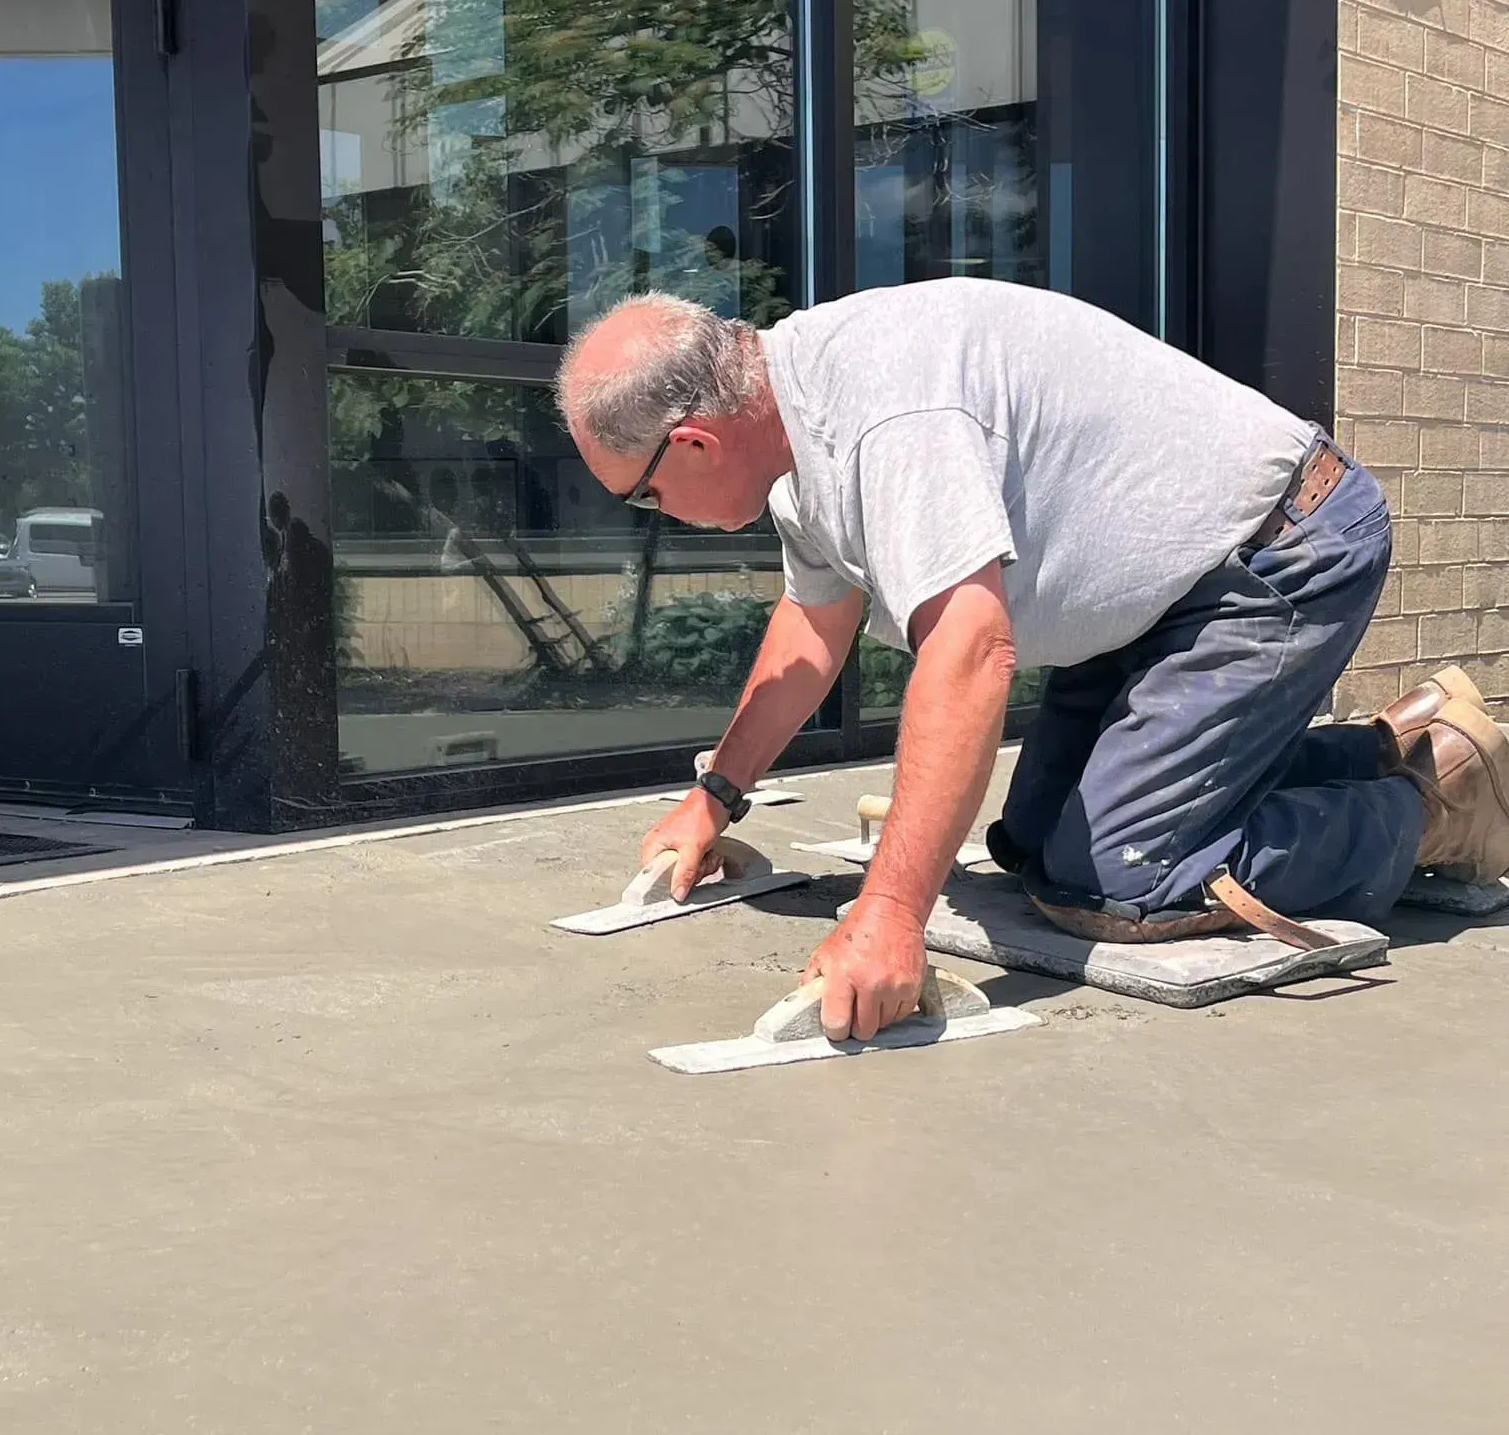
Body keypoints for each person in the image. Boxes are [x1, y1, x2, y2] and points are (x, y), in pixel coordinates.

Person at [557, 282, 1509, 1041]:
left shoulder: (884, 414)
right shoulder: (795, 431)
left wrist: (891, 913)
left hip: (1275, 554)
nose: (654, 514)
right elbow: (815, 627)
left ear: (692, 441)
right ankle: (1396, 744)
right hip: (1158, 599)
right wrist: (715, 794)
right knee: (1031, 844)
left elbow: (970, 653)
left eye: (642, 496)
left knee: (1125, 880)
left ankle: (1434, 800)